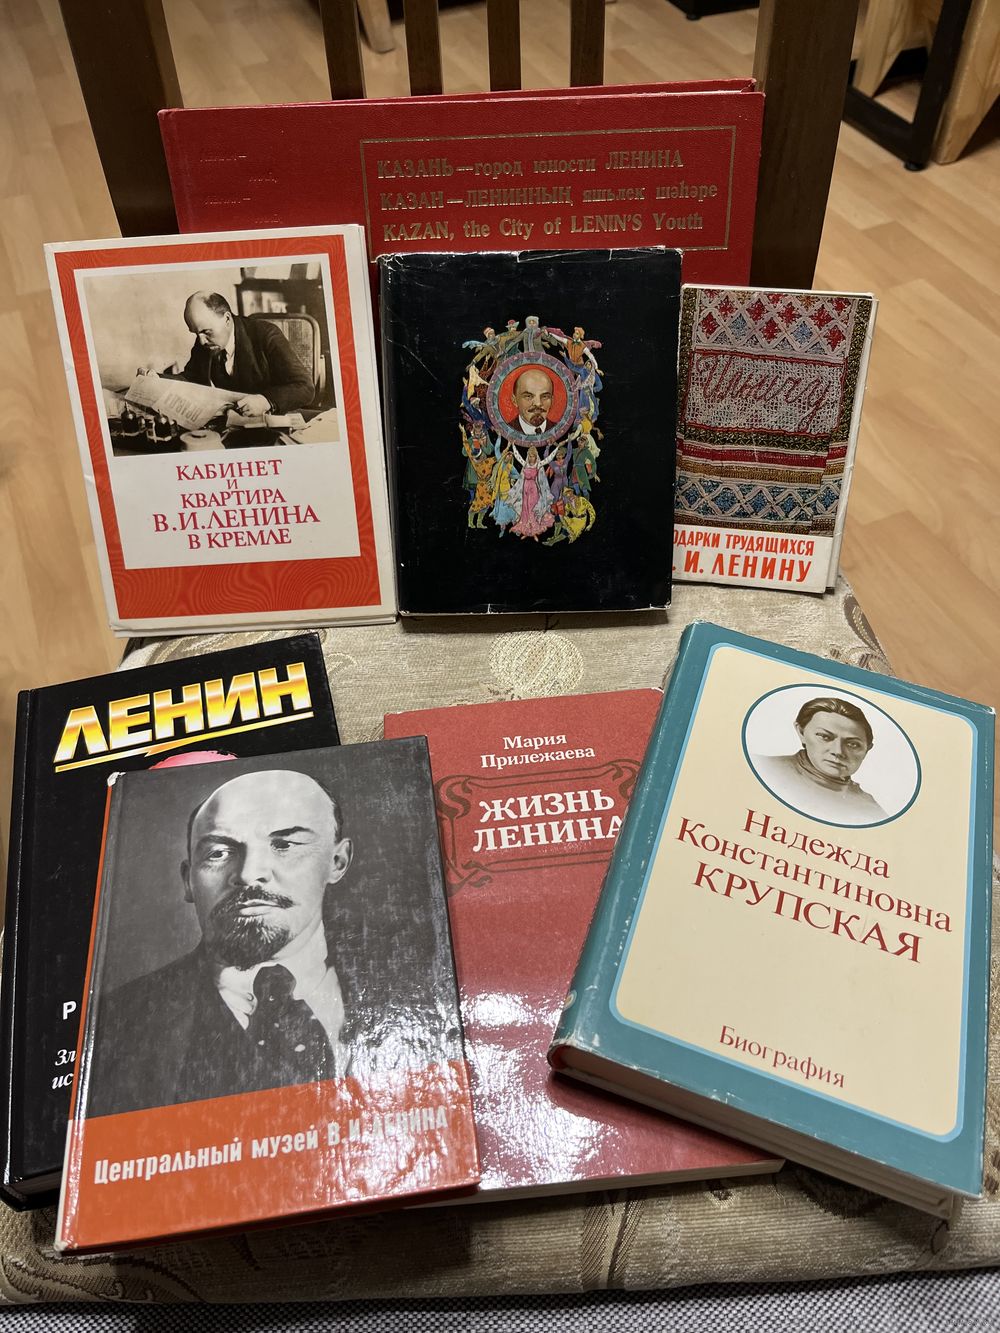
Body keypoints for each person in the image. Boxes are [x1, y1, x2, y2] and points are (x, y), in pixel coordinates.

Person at [87, 769, 371, 1118]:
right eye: (219, 853)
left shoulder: (409, 981)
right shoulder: (113, 1024)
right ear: (188, 881)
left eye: (284, 845)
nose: (249, 874)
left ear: (337, 861)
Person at [752, 696, 888, 824]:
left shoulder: (871, 811)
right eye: (825, 737)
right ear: (801, 732)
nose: (838, 751)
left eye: (853, 744)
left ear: (867, 749)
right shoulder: (762, 769)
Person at [177, 291, 314, 416]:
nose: (201, 341)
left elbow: (305, 386)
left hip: (272, 420)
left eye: (207, 332)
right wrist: (164, 382)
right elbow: (191, 378)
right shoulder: (205, 341)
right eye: (196, 333)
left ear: (227, 319)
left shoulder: (266, 335)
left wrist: (266, 401)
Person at [506, 367, 560, 436]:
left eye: (545, 396)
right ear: (515, 400)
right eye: (528, 396)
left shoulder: (561, 431)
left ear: (552, 400)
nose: (538, 403)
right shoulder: (503, 432)